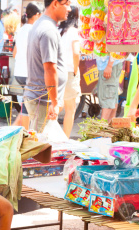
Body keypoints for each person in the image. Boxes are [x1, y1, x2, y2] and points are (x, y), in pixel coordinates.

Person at [24, 0, 70, 132]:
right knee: (40, 145)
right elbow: (50, 69)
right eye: (66, 4)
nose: (69, 8)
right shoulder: (48, 30)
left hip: (41, 99)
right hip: (43, 101)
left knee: (42, 142)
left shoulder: (43, 25)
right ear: (55, 4)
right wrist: (54, 102)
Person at [12, 2, 42, 129]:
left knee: (26, 104)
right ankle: (21, 132)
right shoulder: (35, 30)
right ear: (36, 15)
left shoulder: (21, 29)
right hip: (28, 73)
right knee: (28, 106)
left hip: (19, 73)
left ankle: (19, 130)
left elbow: (14, 53)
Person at [59, 5, 80, 137]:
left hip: (56, 71)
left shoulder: (58, 29)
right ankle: (64, 139)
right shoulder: (73, 31)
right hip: (68, 72)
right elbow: (76, 52)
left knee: (55, 106)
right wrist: (76, 70)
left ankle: (47, 135)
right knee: (70, 109)